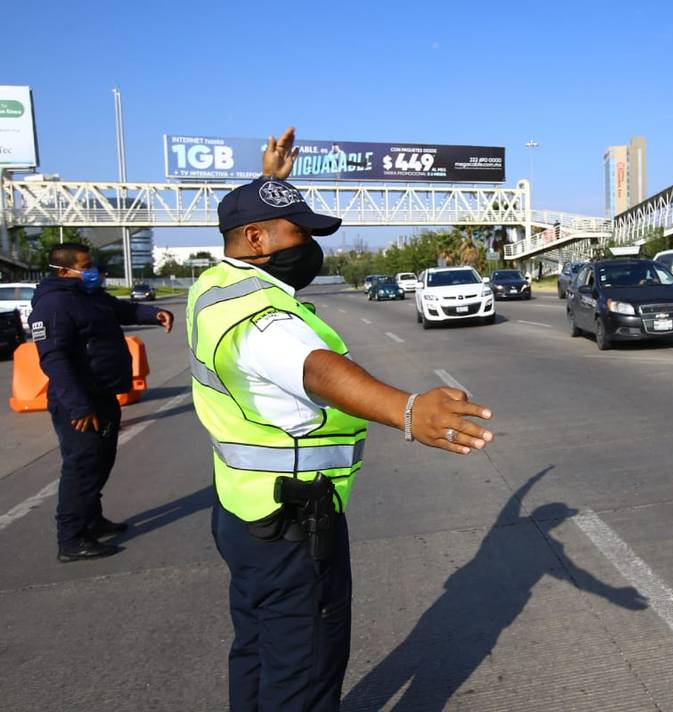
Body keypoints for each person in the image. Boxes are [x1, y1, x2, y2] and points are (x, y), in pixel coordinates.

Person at [187, 126, 495, 712]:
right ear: (255, 238)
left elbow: (252, 225)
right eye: (298, 233)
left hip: (241, 511)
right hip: (292, 526)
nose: (308, 245)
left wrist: (270, 184)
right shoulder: (263, 319)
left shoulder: (217, 285)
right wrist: (407, 410)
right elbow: (318, 370)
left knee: (255, 651)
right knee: (303, 675)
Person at [29, 243, 175, 562]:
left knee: (101, 460)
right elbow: (54, 360)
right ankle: (71, 538)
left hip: (104, 394)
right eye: (87, 264)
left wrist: (155, 313)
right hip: (81, 402)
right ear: (65, 271)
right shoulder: (53, 305)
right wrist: (79, 406)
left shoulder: (88, 296)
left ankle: (92, 520)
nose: (95, 270)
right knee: (82, 467)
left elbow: (122, 310)